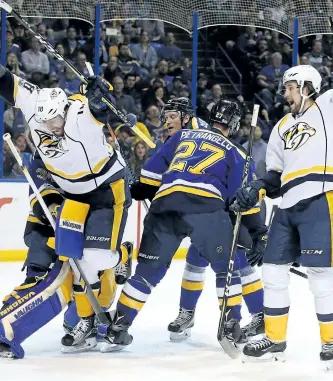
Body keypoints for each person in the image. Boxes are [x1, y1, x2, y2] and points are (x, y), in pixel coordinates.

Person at [100, 97, 266, 355]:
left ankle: (119, 326)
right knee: (227, 268)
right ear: (233, 126)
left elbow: (150, 176)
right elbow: (242, 200)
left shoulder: (184, 136)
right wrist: (258, 233)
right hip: (206, 209)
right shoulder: (238, 153)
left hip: (165, 206)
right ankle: (231, 324)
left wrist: (142, 189)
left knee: (146, 272)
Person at [0, 64, 133, 355]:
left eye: (57, 120)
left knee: (98, 257)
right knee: (79, 260)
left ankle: (123, 254)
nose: (53, 127)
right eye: (46, 123)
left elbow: (103, 109)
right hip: (71, 194)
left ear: (66, 111)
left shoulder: (81, 113)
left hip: (106, 190)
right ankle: (86, 321)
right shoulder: (34, 103)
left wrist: (103, 95)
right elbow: (5, 80)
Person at [232, 65, 333, 365]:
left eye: (290, 87)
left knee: (321, 274)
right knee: (273, 271)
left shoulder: (327, 107)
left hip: (322, 196)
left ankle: (330, 340)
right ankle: (275, 339)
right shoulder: (280, 127)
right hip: (287, 205)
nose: (285, 93)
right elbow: (275, 176)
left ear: (307, 87)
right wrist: (257, 189)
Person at [159, 99, 267, 344]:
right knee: (209, 260)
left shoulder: (201, 139)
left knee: (228, 262)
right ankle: (203, 315)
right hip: (215, 214)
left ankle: (251, 315)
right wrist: (259, 230)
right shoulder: (234, 150)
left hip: (222, 215)